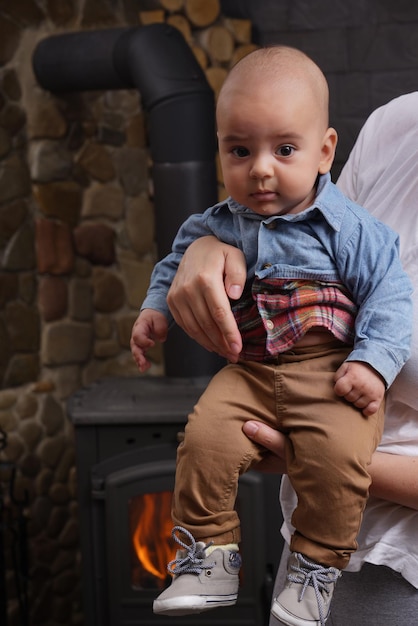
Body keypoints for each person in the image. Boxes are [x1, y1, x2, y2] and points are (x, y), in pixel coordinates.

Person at [130, 47, 413, 625]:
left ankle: (318, 566)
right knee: (204, 438)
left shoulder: (350, 227)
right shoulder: (220, 217)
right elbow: (175, 260)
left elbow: (388, 294)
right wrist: (158, 305)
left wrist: (373, 361)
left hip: (331, 372)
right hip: (255, 369)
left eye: (284, 150)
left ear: (323, 152)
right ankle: (209, 553)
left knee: (334, 457)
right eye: (240, 150)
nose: (261, 169)